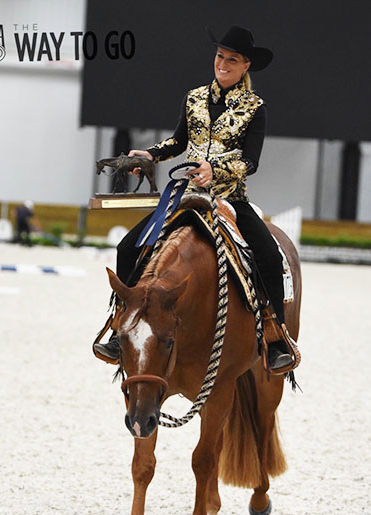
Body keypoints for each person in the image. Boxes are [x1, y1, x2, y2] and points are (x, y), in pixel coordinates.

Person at [95, 25, 297, 371]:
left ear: (245, 66)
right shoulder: (194, 98)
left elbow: (250, 162)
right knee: (127, 247)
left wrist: (215, 170)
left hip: (230, 198)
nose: (222, 64)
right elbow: (178, 141)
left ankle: (275, 334)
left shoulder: (254, 108)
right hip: (187, 195)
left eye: (231, 60)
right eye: (220, 56)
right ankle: (120, 327)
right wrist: (150, 155)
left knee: (267, 253)